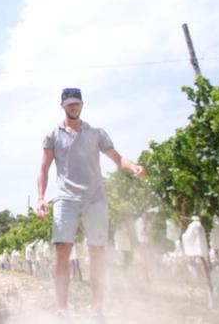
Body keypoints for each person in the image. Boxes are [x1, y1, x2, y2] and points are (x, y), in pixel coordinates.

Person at [36, 87, 144, 318]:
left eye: (77, 103)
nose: (73, 107)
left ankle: (97, 308)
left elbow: (117, 158)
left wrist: (132, 166)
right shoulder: (52, 135)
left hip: (95, 199)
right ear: (62, 105)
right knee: (63, 250)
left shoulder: (96, 133)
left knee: (97, 252)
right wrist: (41, 198)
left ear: (82, 105)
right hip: (66, 199)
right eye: (69, 103)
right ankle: (62, 309)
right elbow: (44, 168)